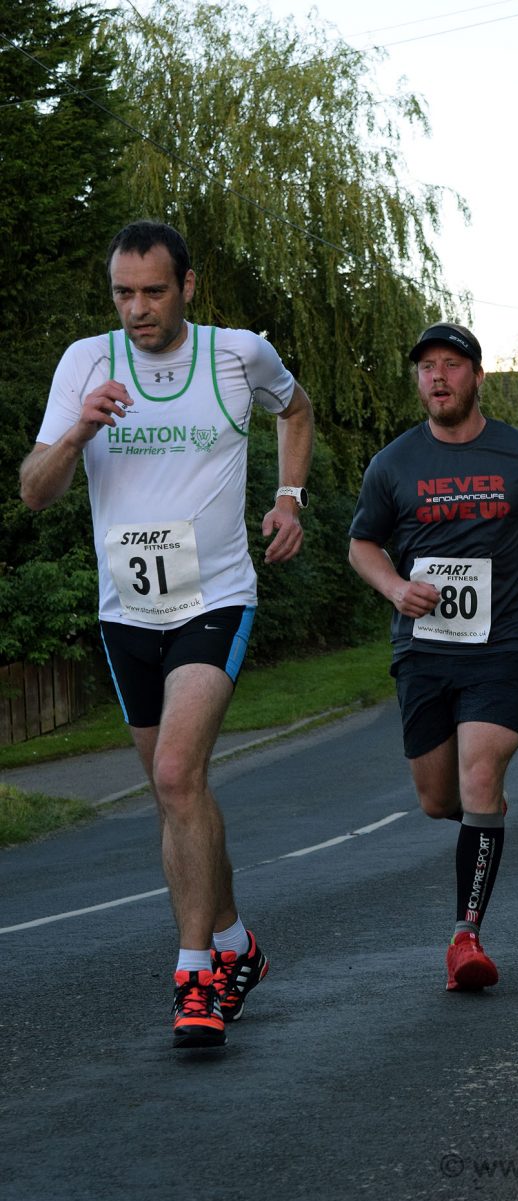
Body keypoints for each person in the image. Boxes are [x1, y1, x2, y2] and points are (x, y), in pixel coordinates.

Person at [19, 220, 314, 1049]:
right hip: (127, 611)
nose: (138, 308)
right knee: (173, 792)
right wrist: (78, 431)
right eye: (124, 293)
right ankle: (235, 941)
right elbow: (34, 490)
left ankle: (196, 976)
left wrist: (289, 497)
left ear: (187, 285)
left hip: (214, 598)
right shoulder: (86, 362)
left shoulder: (238, 353)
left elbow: (296, 409)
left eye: (154, 291)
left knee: (180, 773)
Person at [348, 321, 518, 992]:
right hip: (423, 649)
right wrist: (396, 587)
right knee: (437, 799)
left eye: (452, 364)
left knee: (480, 777)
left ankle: (465, 938)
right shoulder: (393, 463)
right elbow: (362, 544)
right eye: (427, 367)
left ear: (477, 376)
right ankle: (484, 819)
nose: (438, 376)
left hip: (502, 644)